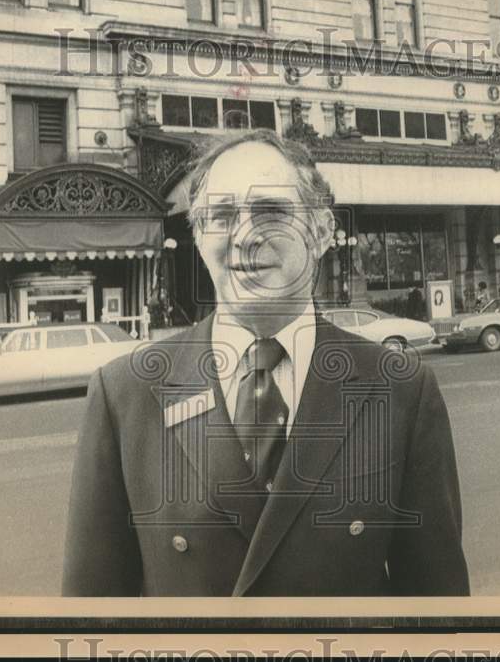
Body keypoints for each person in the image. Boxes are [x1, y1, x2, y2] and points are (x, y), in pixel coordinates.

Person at [62, 129, 469, 597]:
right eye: (222, 215)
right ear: (198, 238)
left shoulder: (400, 390)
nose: (245, 237)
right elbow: (92, 613)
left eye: (271, 212)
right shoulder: (126, 393)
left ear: (320, 233)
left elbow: (436, 610)